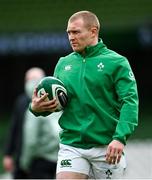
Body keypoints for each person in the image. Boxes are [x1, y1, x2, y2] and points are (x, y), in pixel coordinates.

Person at [30, 11, 139, 179]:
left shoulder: (117, 62)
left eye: (76, 32)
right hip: (72, 145)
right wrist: (36, 108)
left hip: (106, 146)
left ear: (93, 31)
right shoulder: (63, 63)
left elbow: (130, 102)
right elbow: (56, 103)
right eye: (69, 33)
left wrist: (120, 138)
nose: (71, 37)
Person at [3, 67, 60, 179]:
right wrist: (8, 153)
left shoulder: (35, 107)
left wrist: (25, 163)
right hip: (55, 159)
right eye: (29, 79)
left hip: (34, 160)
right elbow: (14, 129)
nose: (31, 83)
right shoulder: (56, 101)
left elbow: (31, 139)